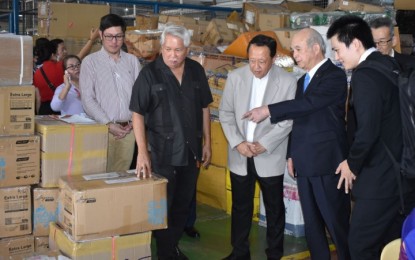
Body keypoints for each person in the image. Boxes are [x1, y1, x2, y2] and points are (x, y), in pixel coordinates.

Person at [243, 28, 350, 260]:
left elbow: (308, 105)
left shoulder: (334, 76)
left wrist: (268, 110)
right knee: (312, 224)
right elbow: (298, 121)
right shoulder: (302, 80)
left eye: (298, 49)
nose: (294, 55)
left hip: (327, 163)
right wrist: (291, 154)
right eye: (292, 50)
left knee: (335, 223)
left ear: (316, 48)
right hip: (304, 162)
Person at [327, 15, 415, 259]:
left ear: (355, 44)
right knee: (392, 245)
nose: (336, 57)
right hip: (403, 174)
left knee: (360, 245)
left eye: (337, 49)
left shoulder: (365, 76)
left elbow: (367, 131)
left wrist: (351, 164)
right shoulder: (390, 65)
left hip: (381, 180)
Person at [129, 24, 212, 260]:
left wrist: (208, 142)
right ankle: (165, 253)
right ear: (161, 48)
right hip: (162, 154)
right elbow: (137, 113)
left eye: (178, 50)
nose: (172, 56)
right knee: (161, 206)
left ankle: (171, 247)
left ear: (187, 49)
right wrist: (142, 154)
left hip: (191, 152)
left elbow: (205, 107)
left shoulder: (196, 71)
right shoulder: (149, 74)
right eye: (168, 49)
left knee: (182, 205)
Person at [219, 34, 296, 260]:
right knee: (240, 207)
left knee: (274, 209)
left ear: (273, 58)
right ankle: (239, 252)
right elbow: (225, 113)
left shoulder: (288, 82)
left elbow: (288, 120)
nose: (256, 66)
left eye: (262, 61)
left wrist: (264, 144)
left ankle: (274, 254)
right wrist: (238, 143)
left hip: (269, 155)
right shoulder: (235, 77)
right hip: (240, 155)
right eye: (252, 60)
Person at [81, 14, 141, 172]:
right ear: (100, 35)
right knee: (101, 176)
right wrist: (108, 123)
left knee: (122, 176)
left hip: (129, 131)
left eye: (118, 36)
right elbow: (88, 99)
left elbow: (140, 96)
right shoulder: (90, 62)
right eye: (109, 36)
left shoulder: (132, 61)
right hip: (102, 130)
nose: (114, 42)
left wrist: (134, 122)